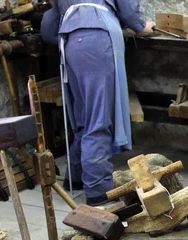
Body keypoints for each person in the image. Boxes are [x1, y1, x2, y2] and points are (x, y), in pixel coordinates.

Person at [41, 0, 155, 206]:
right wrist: (141, 26)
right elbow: (128, 11)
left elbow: (49, 26)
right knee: (99, 116)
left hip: (69, 42)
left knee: (84, 115)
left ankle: (75, 177)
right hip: (98, 38)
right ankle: (98, 188)